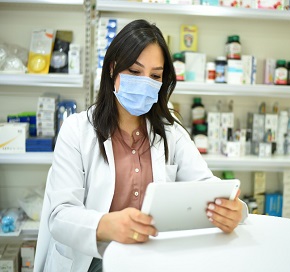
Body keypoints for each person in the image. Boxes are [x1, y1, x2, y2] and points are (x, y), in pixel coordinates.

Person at [34, 19, 248, 272]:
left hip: (151, 258)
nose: (146, 82)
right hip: (90, 259)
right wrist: (104, 225)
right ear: (113, 69)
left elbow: (206, 185)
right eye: (135, 72)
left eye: (155, 75)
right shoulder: (77, 130)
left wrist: (235, 210)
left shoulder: (171, 131)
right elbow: (60, 215)